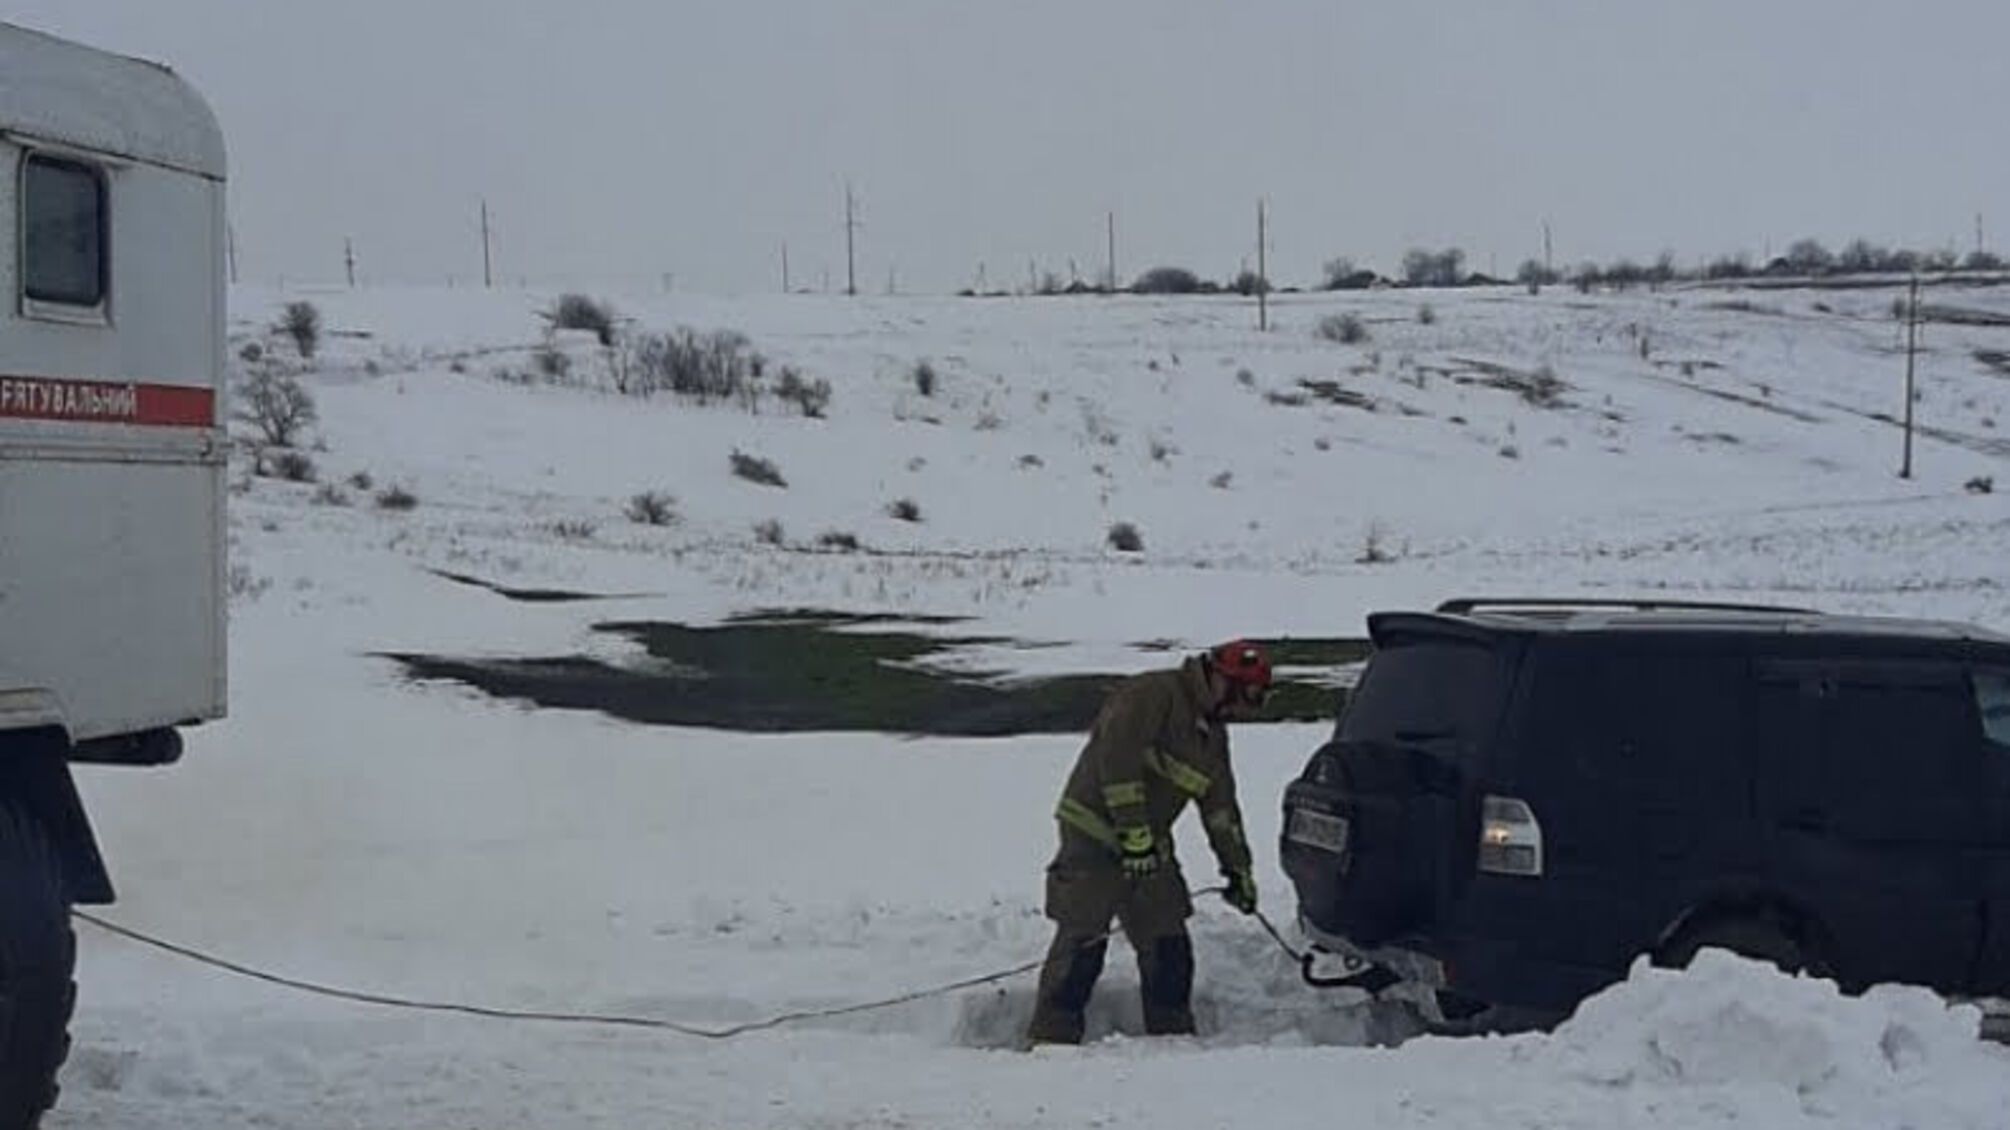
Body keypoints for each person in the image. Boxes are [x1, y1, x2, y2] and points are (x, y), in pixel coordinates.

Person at [1024, 639, 1272, 1046]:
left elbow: (1220, 809)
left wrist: (1238, 868)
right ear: (1221, 680)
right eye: (1246, 697)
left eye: (1257, 701)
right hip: (1092, 832)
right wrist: (1133, 834)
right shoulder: (1152, 695)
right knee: (1083, 942)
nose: (1245, 710)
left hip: (1149, 844)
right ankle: (1052, 1041)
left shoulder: (1211, 737)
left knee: (1169, 944)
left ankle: (1171, 1041)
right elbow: (1117, 764)